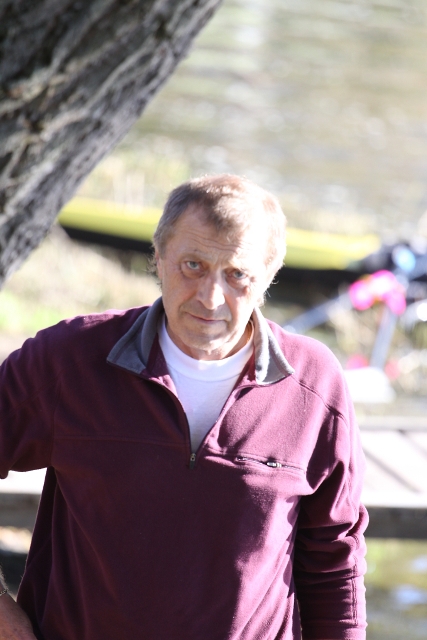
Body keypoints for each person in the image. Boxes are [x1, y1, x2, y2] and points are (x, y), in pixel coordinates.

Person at [0, 174, 368, 640]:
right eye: (193, 265)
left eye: (237, 275)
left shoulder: (314, 385)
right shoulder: (69, 360)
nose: (210, 297)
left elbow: (336, 559)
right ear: (158, 256)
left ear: (268, 276)